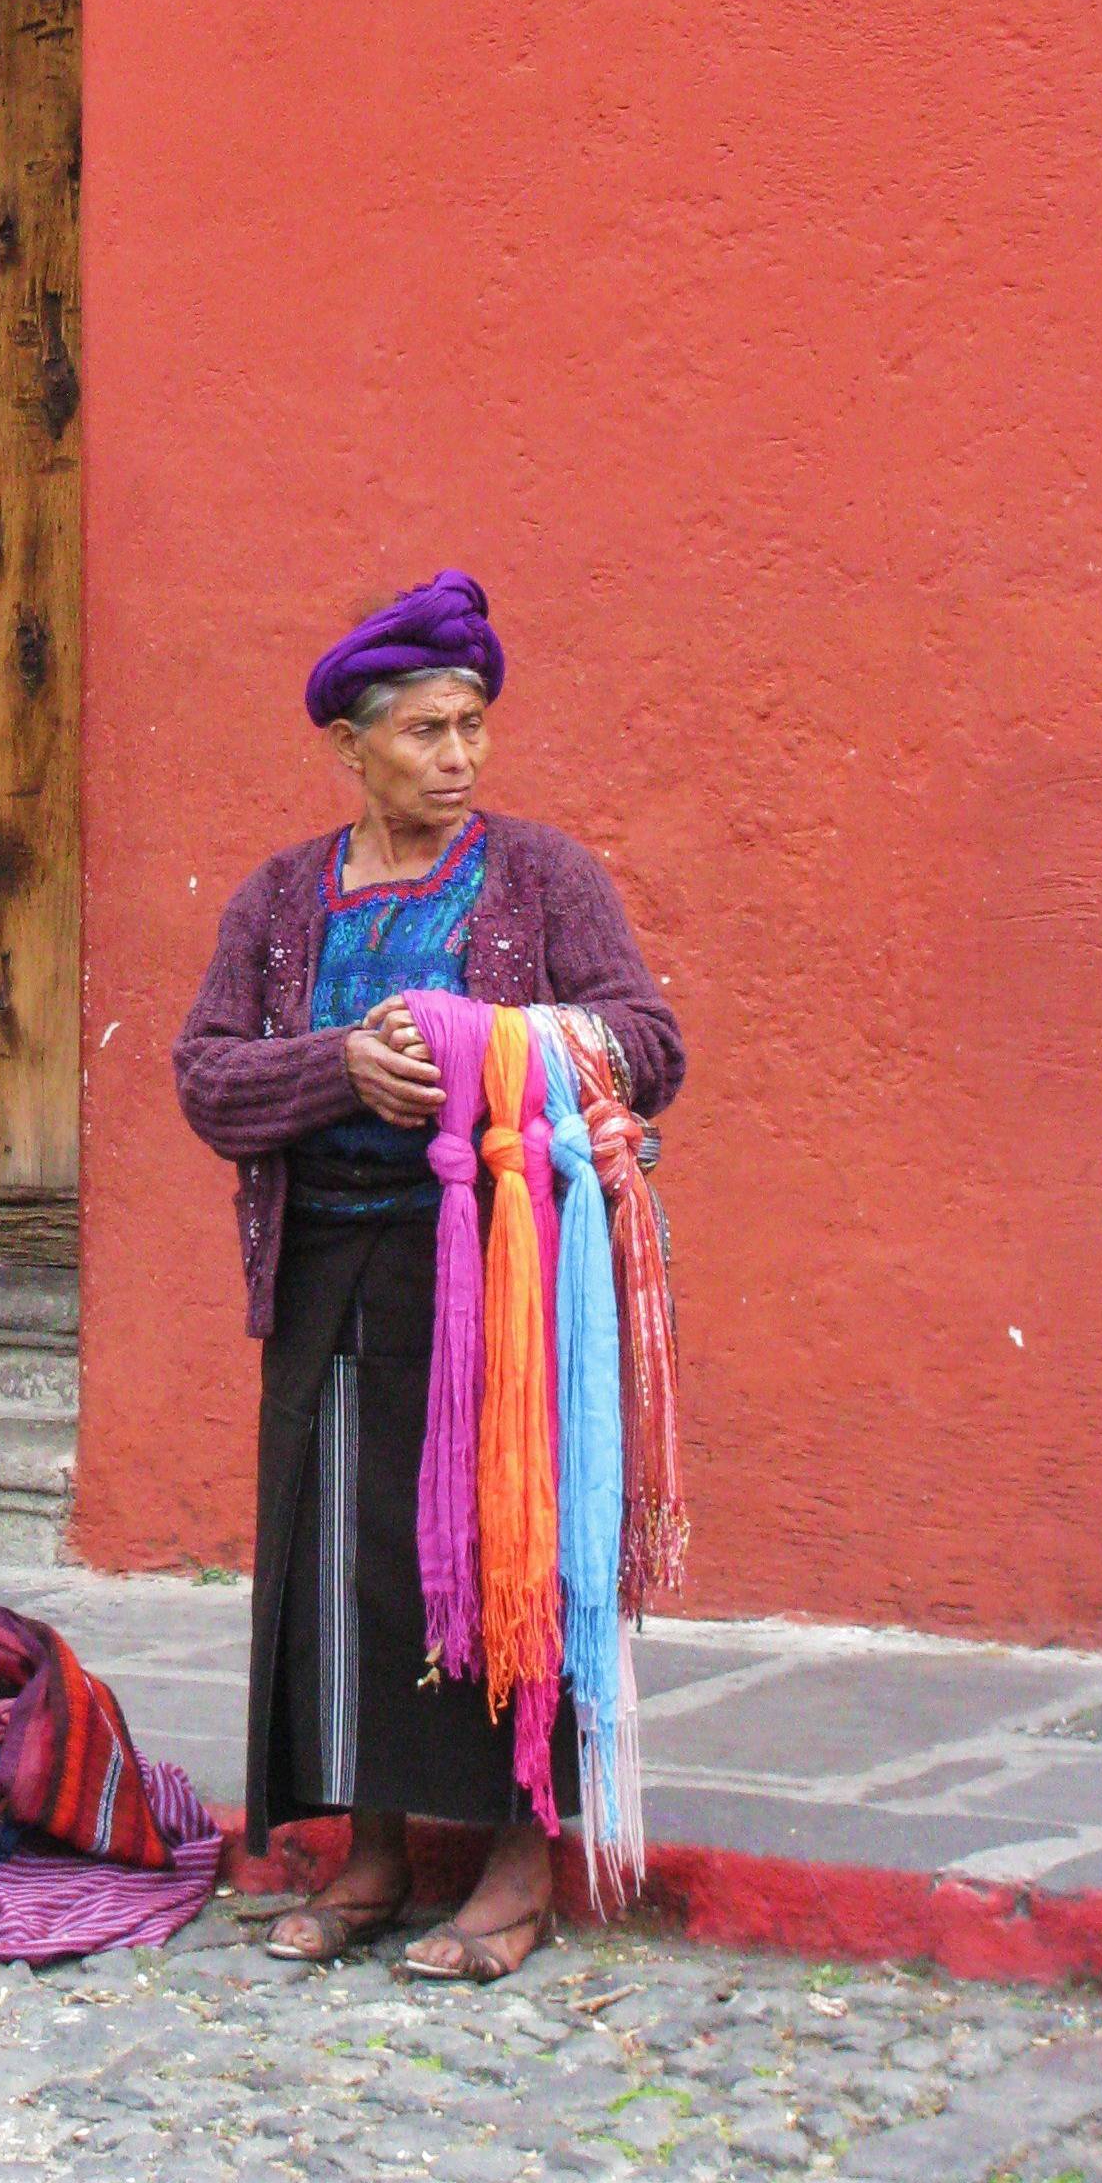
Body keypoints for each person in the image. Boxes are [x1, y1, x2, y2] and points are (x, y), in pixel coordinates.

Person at [172, 571, 683, 1975]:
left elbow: (651, 1042)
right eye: (425, 734)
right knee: (348, 1570)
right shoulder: (283, 899)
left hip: (502, 1292)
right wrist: (339, 1065)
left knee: (503, 1551)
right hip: (336, 1274)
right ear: (349, 745)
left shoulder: (543, 879)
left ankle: (520, 1865)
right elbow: (208, 1078)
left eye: (472, 729)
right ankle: (376, 1855)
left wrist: (481, 1043)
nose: (457, 760)